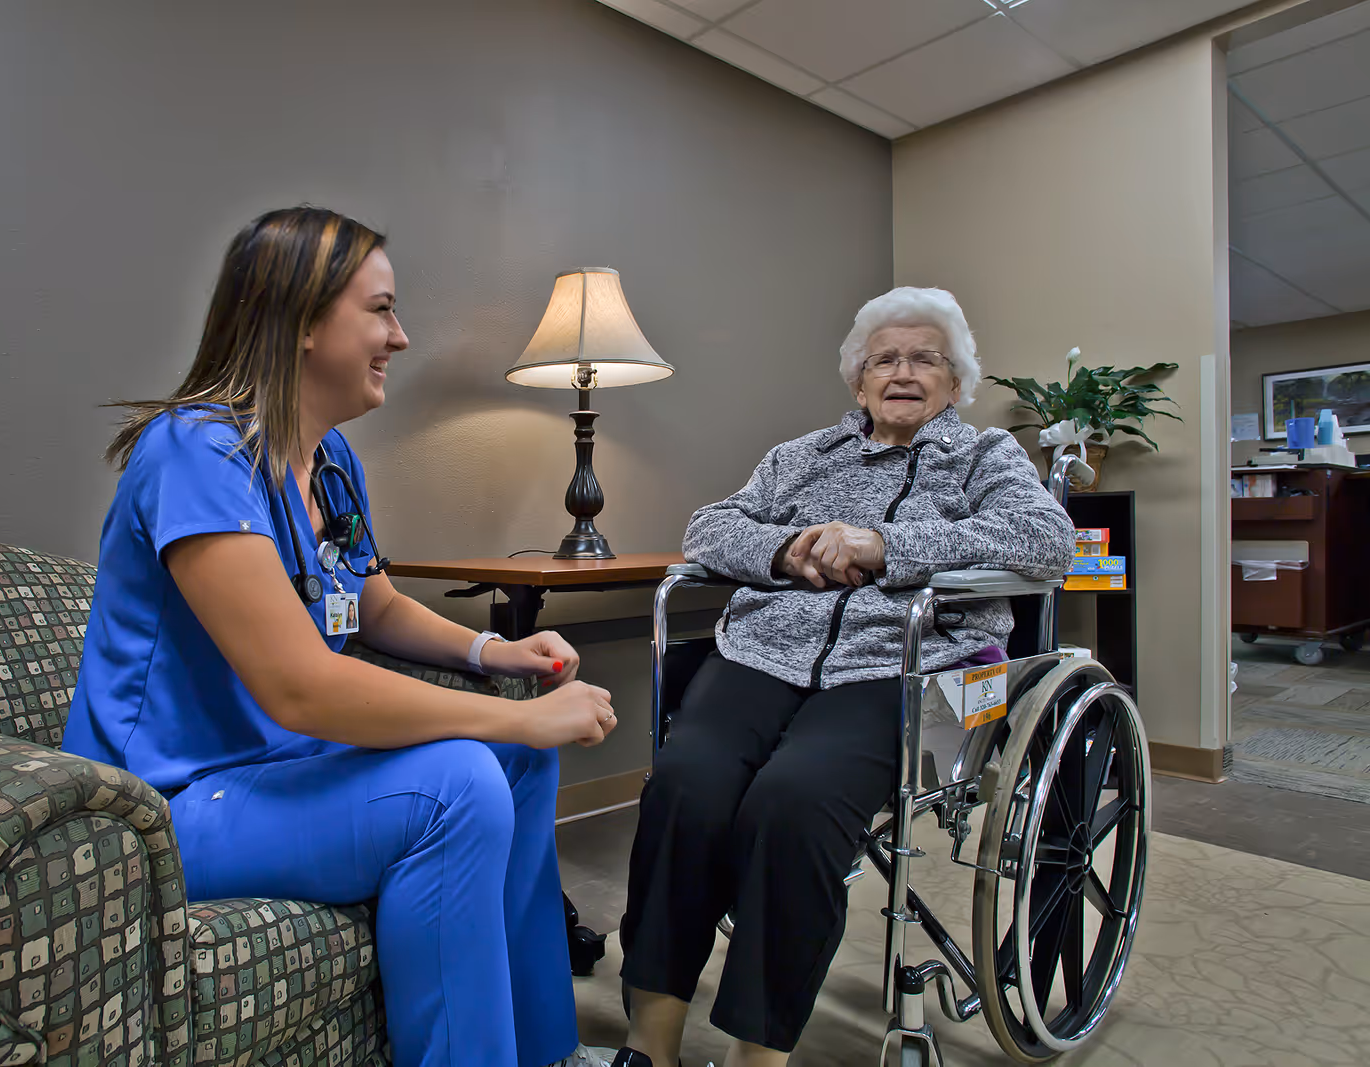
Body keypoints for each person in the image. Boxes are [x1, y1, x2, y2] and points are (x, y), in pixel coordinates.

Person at [61, 206, 618, 1067]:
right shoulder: (195, 454)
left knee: (520, 762)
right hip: (172, 804)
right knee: (466, 776)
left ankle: (548, 1052)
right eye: (382, 309)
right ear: (302, 320)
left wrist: (492, 654)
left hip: (284, 771)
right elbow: (302, 685)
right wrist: (515, 715)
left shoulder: (330, 463)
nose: (401, 335)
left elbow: (375, 605)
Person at [609, 287, 1075, 1067]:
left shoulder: (987, 456)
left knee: (794, 804)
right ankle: (649, 1042)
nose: (902, 371)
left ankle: (758, 1052)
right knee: (684, 786)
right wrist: (787, 549)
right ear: (858, 383)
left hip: (902, 668)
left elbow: (1044, 540)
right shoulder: (802, 457)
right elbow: (710, 526)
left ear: (955, 382)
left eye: (925, 358)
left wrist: (883, 544)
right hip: (763, 654)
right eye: (883, 359)